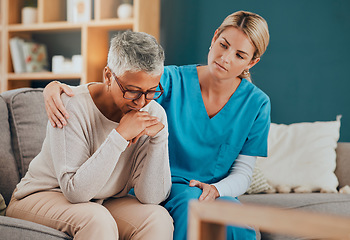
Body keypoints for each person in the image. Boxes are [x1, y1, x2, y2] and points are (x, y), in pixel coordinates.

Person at [43, 10, 270, 240]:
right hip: (164, 185)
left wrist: (219, 189)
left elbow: (243, 172)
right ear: (214, 38)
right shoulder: (170, 80)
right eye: (223, 45)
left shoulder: (257, 104)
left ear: (252, 61)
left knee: (236, 222)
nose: (226, 58)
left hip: (214, 191)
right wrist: (55, 87)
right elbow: (117, 86)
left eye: (240, 55)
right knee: (194, 210)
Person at [6, 31, 173, 240]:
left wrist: (159, 139)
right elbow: (75, 191)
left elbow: (152, 197)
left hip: (102, 200)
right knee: (97, 220)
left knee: (157, 218)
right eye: (132, 91)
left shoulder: (154, 114)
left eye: (151, 91)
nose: (141, 102)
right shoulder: (71, 105)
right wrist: (119, 136)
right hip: (42, 195)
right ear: (108, 76)